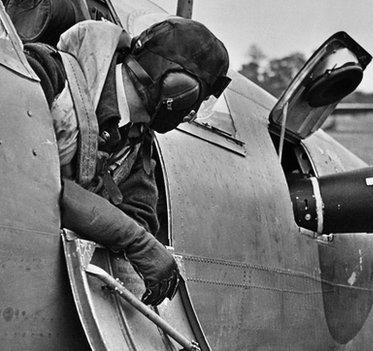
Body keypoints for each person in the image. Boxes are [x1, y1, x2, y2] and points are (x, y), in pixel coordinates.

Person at [23, 17, 230, 305]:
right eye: (197, 99)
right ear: (178, 87)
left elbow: (139, 216)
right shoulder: (45, 72)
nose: (192, 114)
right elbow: (23, 175)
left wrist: (134, 237)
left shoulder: (134, 142)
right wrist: (132, 240)